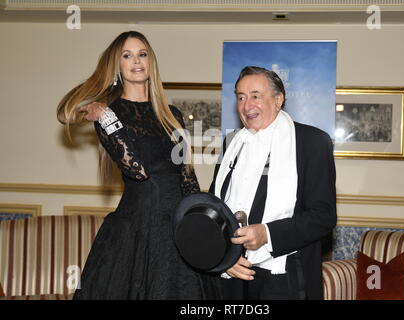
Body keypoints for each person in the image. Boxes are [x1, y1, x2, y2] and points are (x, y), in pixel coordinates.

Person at [57, 31, 220, 299]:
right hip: (138, 229)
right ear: (117, 66)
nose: (137, 60)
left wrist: (201, 223)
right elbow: (138, 170)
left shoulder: (172, 115)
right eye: (127, 55)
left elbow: (187, 178)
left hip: (178, 226)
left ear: (151, 62)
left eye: (142, 54)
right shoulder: (110, 114)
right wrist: (106, 117)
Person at [209, 66, 337, 300]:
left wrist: (267, 234)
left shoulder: (312, 142)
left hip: (285, 276)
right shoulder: (231, 144)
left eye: (256, 96)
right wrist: (223, 257)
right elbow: (214, 210)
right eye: (241, 97)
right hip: (233, 275)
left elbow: (323, 216)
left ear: (278, 100)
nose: (247, 105)